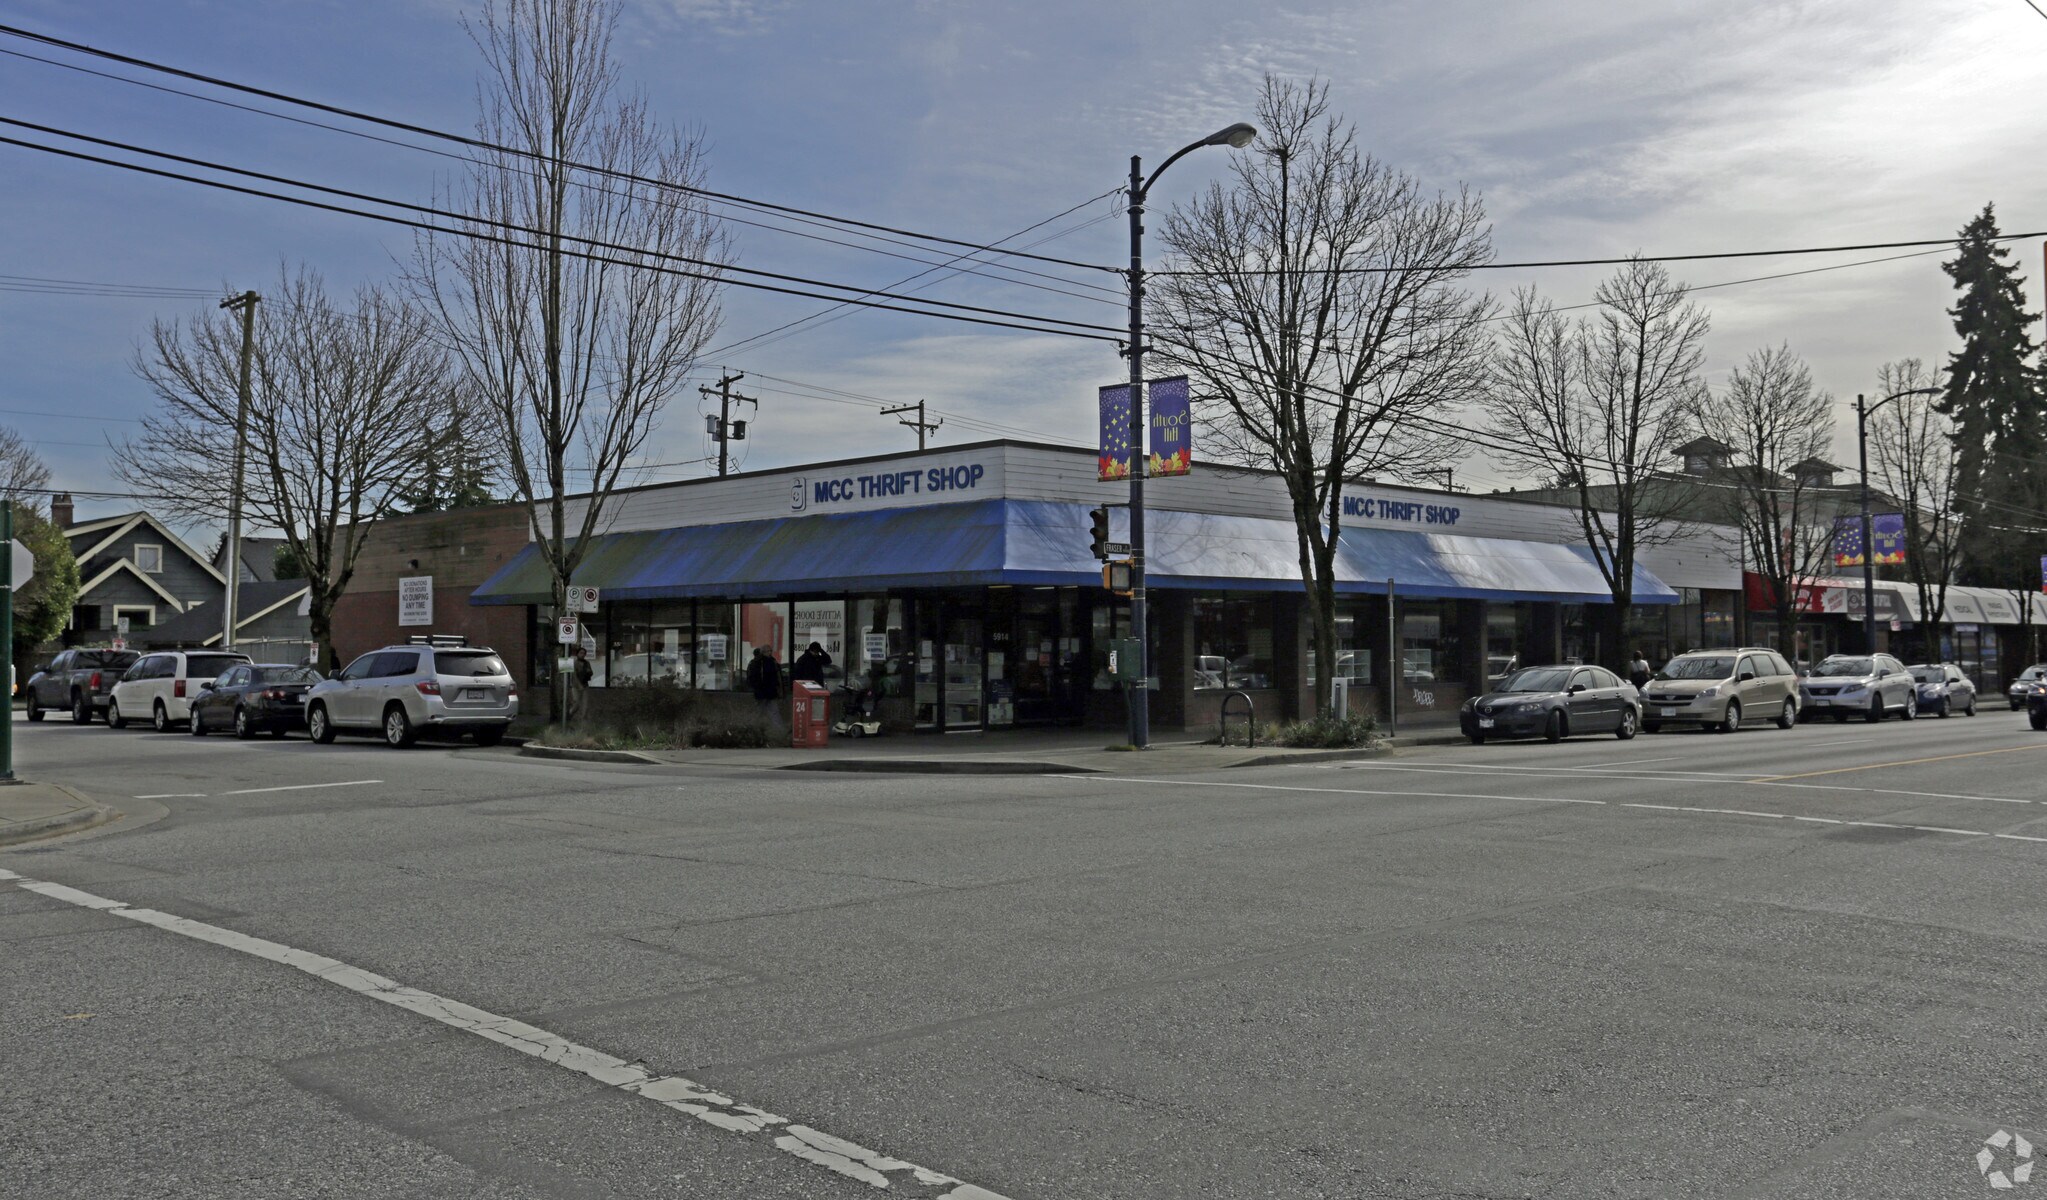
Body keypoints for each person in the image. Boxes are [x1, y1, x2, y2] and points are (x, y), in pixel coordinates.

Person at [746, 645, 782, 724]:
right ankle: (752, 725)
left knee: (771, 711)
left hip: (768, 691)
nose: (770, 653)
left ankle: (778, 728)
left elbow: (776, 676)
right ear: (763, 652)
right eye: (768, 651)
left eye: (770, 651)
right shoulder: (759, 662)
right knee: (762, 711)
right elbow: (754, 677)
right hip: (763, 691)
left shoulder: (771, 661)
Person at [568, 645, 594, 723]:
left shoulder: (587, 663)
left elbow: (591, 673)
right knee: (576, 703)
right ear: (577, 654)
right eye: (581, 653)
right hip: (576, 686)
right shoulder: (575, 663)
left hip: (585, 685)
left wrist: (589, 672)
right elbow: (574, 676)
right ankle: (569, 715)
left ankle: (583, 721)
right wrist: (579, 685)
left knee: (585, 705)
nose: (582, 655)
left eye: (584, 653)